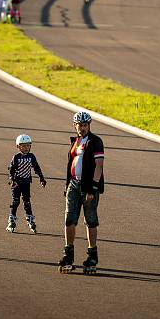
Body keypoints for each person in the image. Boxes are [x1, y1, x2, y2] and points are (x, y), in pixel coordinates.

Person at [59, 111, 105, 275]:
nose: (82, 128)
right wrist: (67, 185)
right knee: (69, 219)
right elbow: (71, 163)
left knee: (90, 221)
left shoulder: (95, 142)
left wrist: (93, 187)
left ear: (89, 125)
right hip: (73, 184)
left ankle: (92, 256)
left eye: (85, 125)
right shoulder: (75, 141)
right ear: (75, 125)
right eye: (79, 125)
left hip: (88, 188)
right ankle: (68, 255)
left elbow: (98, 166)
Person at [6, 134, 47, 234]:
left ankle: (30, 218)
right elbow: (11, 170)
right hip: (17, 183)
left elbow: (36, 168)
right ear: (18, 147)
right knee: (15, 201)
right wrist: (11, 179)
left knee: (27, 202)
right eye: (23, 146)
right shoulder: (16, 157)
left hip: (26, 183)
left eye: (28, 146)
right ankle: (12, 219)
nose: (26, 148)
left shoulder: (31, 157)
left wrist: (42, 178)